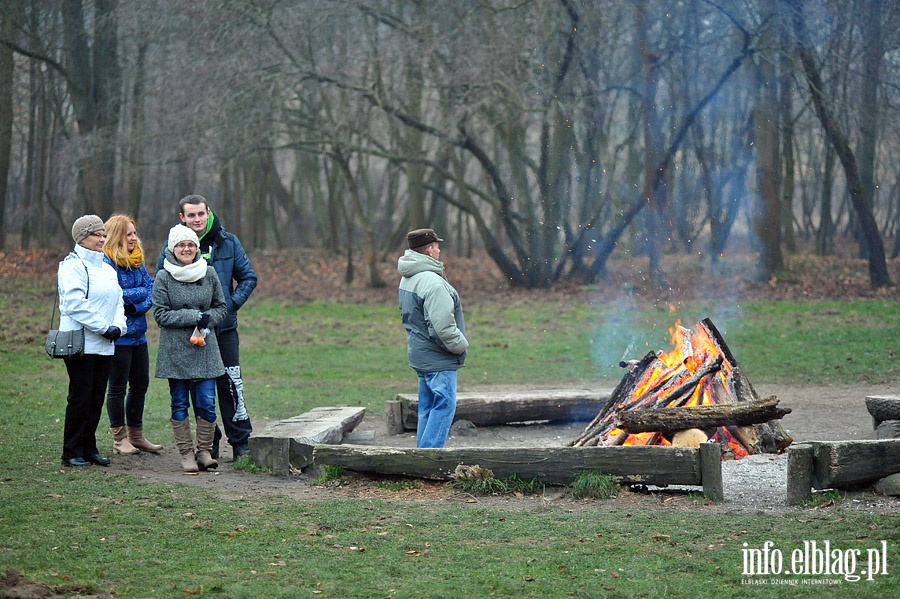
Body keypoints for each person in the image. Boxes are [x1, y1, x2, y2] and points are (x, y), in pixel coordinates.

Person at [156, 195, 257, 460]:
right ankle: (208, 444)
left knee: (231, 384)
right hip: (188, 336)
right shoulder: (174, 245)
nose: (197, 219)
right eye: (191, 216)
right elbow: (160, 283)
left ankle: (240, 442)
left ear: (208, 212)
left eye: (200, 214)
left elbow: (248, 277)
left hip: (223, 329)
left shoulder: (228, 242)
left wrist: (230, 306)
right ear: (183, 218)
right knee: (197, 390)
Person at [152, 225, 227, 472]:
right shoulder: (164, 275)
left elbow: (221, 307)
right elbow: (160, 314)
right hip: (176, 350)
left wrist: (209, 319)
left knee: (206, 401)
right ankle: (186, 453)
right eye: (181, 245)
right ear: (173, 249)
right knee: (179, 402)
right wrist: (194, 315)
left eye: (191, 245)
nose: (187, 249)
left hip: (205, 347)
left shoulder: (210, 272)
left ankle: (204, 451)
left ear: (197, 248)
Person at [58, 215, 128, 467]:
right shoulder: (71, 266)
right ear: (81, 238)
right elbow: (75, 304)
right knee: (81, 396)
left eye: (102, 234)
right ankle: (71, 451)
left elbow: (117, 300)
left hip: (106, 343)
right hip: (80, 343)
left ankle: (89, 448)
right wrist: (102, 327)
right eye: (95, 235)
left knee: (97, 396)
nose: (101, 239)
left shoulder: (107, 268)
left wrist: (119, 326)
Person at [398, 228, 468, 448]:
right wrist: (460, 345)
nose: (439, 250)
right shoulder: (433, 283)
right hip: (438, 358)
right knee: (444, 404)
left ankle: (421, 455)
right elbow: (442, 328)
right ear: (429, 250)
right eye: (437, 246)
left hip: (420, 354)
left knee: (427, 406)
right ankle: (429, 456)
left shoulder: (409, 278)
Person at [102, 214, 162, 455]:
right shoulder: (105, 265)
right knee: (117, 387)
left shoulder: (137, 261)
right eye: (129, 234)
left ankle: (136, 436)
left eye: (135, 233)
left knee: (140, 386)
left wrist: (134, 305)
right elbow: (113, 293)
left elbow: (151, 290)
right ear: (117, 235)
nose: (134, 238)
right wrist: (132, 296)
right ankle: (119, 439)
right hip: (119, 337)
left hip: (140, 335)